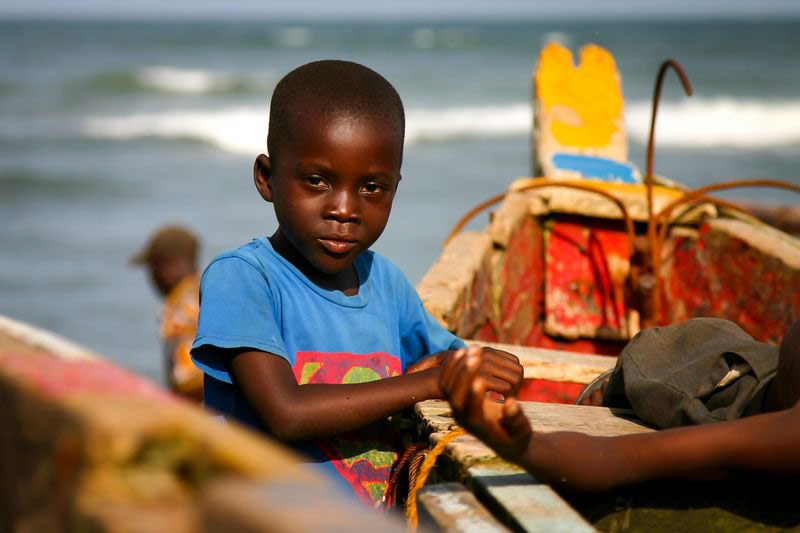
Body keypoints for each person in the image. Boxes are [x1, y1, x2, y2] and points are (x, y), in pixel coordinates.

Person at [189, 60, 524, 506]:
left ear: (395, 188)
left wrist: (483, 367)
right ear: (267, 179)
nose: (345, 209)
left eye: (371, 188)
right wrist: (430, 382)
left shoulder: (383, 280)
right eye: (317, 181)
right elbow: (284, 412)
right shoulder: (244, 278)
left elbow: (451, 362)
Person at [440, 318, 800, 492]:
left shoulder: (784, 437)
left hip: (748, 395)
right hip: (769, 380)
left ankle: (620, 385)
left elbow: (620, 458)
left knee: (671, 361)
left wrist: (527, 447)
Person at [131, 225, 204, 401]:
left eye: (153, 268)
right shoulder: (205, 288)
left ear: (167, 266)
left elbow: (188, 380)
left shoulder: (182, 306)